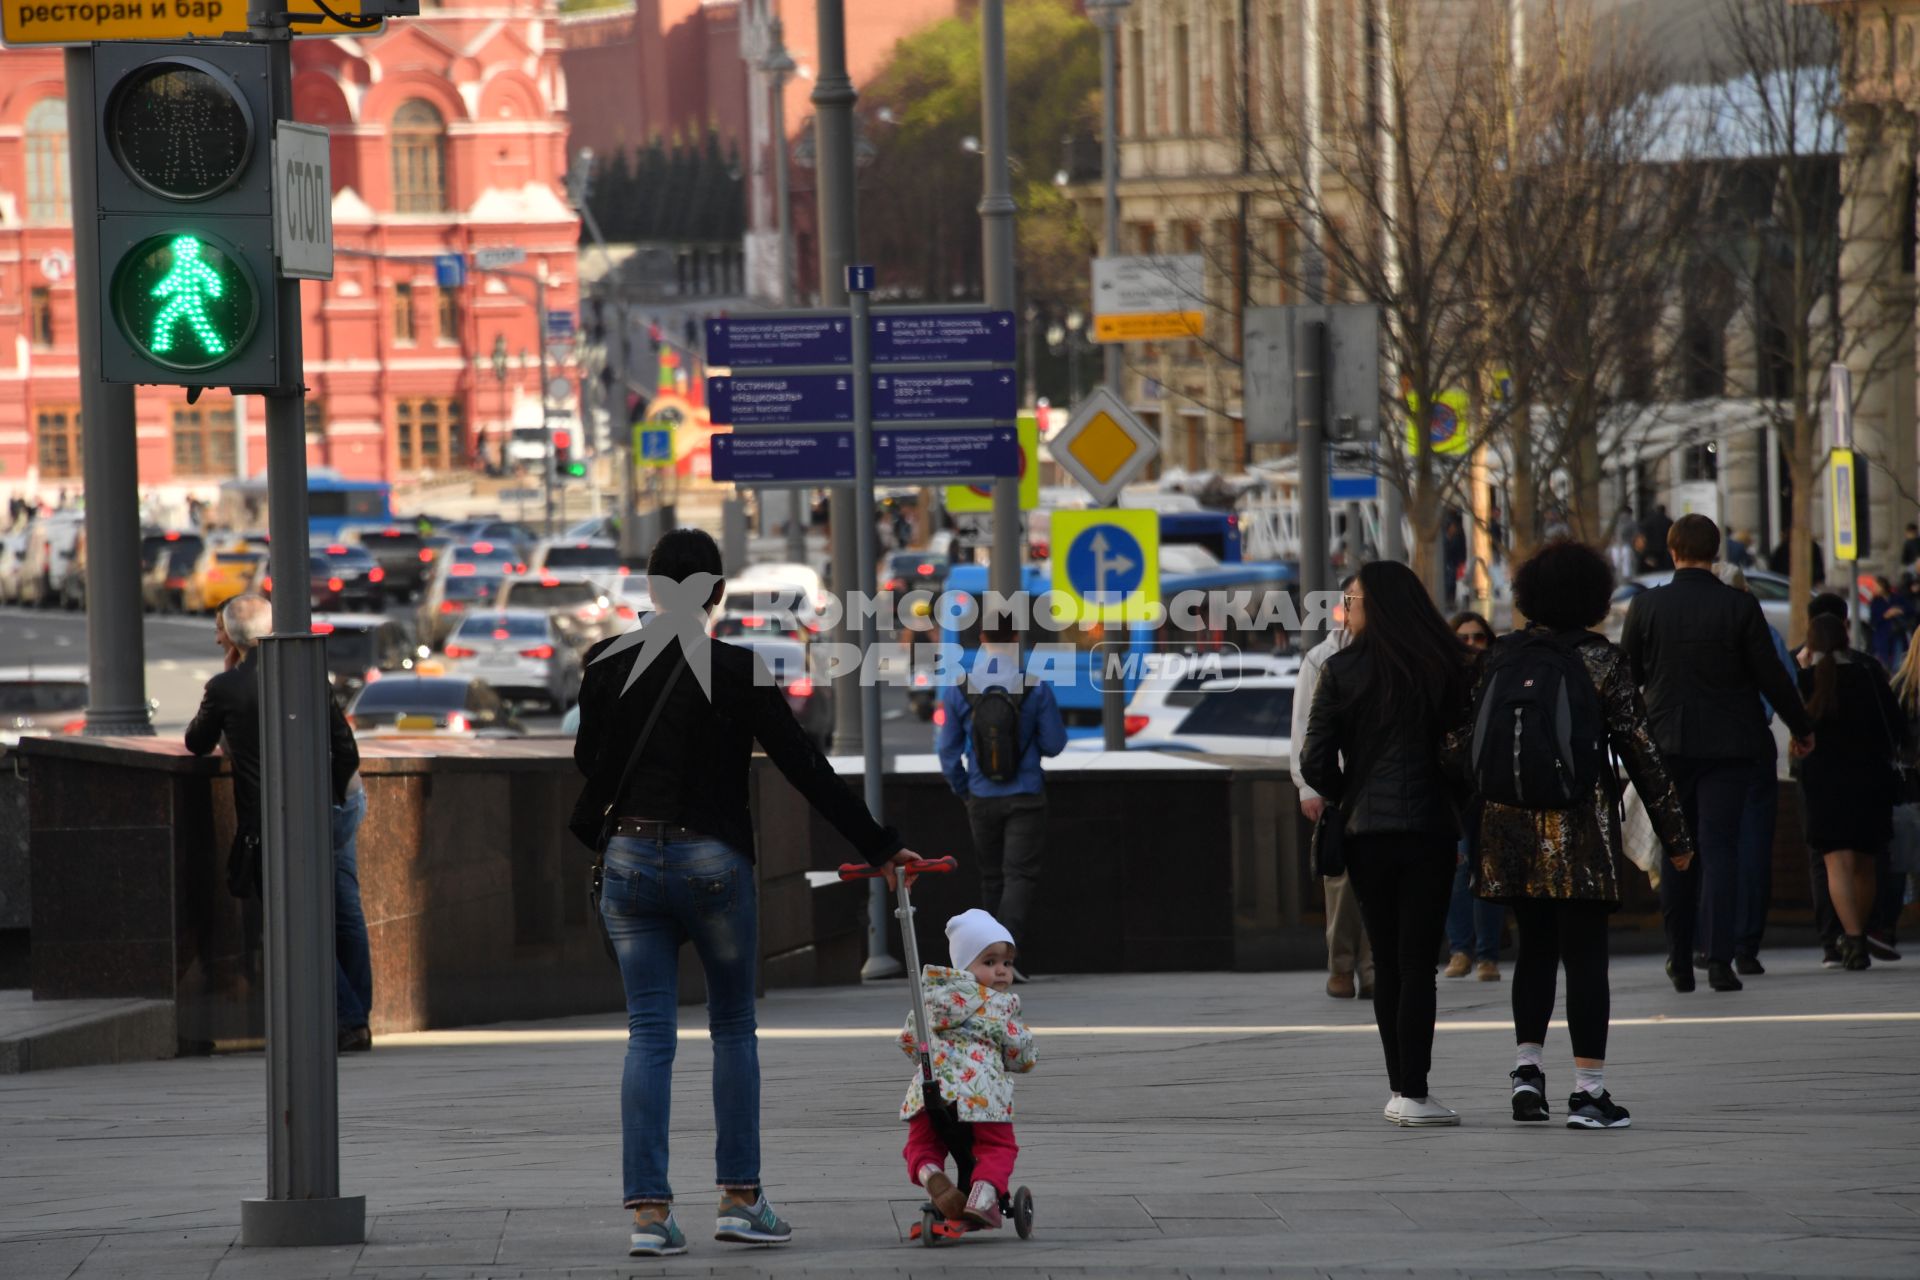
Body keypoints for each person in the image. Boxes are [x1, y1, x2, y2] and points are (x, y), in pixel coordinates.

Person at [574, 528, 924, 1258]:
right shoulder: (740, 670)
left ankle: (649, 1216)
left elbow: (589, 762)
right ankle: (739, 1199)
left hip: (632, 859)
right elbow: (805, 767)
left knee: (648, 1034)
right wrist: (881, 848)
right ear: (716, 595)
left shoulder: (603, 665)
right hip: (712, 861)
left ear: (650, 590)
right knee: (732, 1028)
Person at [1453, 542, 1693, 1131]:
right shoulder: (1602, 662)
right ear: (1591, 596)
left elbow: (1460, 746)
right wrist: (1676, 837)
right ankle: (1589, 1093)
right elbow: (1642, 754)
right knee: (1585, 957)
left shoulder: (1497, 657)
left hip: (1508, 833)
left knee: (1533, 951)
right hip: (1580, 833)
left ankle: (1527, 1074)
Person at [1301, 561, 1471, 1127]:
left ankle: (1400, 1087)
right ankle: (1416, 1091)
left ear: (1374, 606)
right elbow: (1462, 754)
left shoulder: (1342, 669)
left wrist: (1349, 793)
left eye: (1352, 599)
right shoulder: (1446, 666)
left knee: (1388, 960)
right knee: (1419, 963)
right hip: (1429, 830)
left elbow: (1314, 761)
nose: (1346, 610)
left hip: (1365, 834)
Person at [1622, 515, 1813, 994]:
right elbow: (1771, 675)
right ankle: (1720, 959)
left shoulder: (1646, 607)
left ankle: (1678, 957)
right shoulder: (1739, 607)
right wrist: (1802, 726)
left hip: (1668, 743)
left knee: (1678, 850)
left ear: (1672, 551)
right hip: (1731, 744)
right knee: (1721, 848)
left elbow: (1629, 676)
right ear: (1716, 554)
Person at [184, 594, 371, 1051]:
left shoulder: (226, 687)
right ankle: (358, 1017)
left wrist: (230, 670)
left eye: (218, 629)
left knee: (296, 920)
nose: (215, 636)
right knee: (344, 911)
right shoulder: (308, 675)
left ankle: (346, 1019)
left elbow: (196, 741)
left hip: (283, 820)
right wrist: (334, 803)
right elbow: (344, 745)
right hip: (341, 801)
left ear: (232, 636)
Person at [936, 622, 1066, 969]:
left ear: (981, 639)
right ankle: (1009, 961)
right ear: (1015, 639)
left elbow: (947, 752)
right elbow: (1054, 744)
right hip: (1026, 795)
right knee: (1018, 877)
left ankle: (986, 963)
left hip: (980, 797)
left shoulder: (960, 688)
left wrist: (965, 789)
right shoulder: (1034, 686)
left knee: (992, 877)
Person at [898, 909, 1037, 1230]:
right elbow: (1021, 1054)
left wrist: (931, 1060)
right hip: (982, 1093)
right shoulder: (1000, 1004)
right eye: (989, 962)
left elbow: (908, 1040)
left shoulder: (929, 998)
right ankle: (984, 1195)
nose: (1001, 971)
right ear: (964, 967)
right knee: (997, 1146)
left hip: (929, 1089)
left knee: (921, 1145)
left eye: (1006, 963)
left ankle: (930, 1173)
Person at [1797, 614, 1905, 971]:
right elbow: (1896, 726)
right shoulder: (1869, 676)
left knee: (1836, 864)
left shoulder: (1807, 680)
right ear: (1845, 639)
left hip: (1824, 784)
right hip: (1869, 781)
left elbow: (1798, 732)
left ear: (1810, 645)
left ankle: (1853, 939)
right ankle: (1860, 931)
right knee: (1865, 863)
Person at [1291, 575, 1375, 1001]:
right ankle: (1341, 966)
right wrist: (1309, 787)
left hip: (1381, 788)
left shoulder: (1397, 657)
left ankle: (1373, 968)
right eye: (1355, 598)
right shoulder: (1322, 658)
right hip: (1339, 790)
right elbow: (1305, 729)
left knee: (1379, 884)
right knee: (1341, 883)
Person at [1443, 611, 1503, 982]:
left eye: (1478, 637)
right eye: (1463, 638)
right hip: (1455, 788)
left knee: (1489, 872)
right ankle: (1460, 950)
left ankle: (1487, 956)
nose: (1471, 645)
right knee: (1459, 868)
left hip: (1492, 787)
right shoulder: (1445, 680)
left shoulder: (1498, 678)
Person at [1640, 506, 1673, 570]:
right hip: (1664, 547)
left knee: (1652, 566)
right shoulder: (1668, 521)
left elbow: (1643, 533)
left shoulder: (1648, 521)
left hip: (1651, 548)